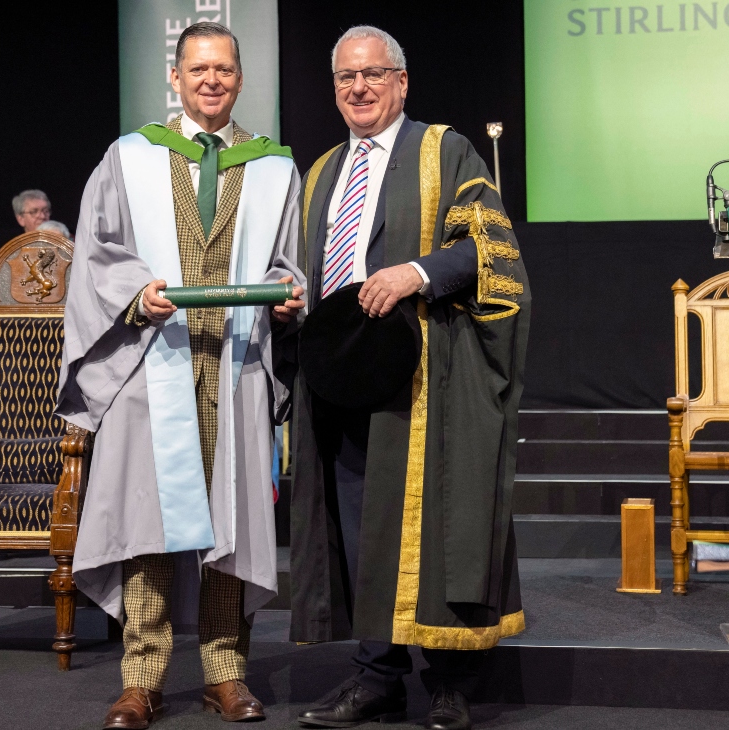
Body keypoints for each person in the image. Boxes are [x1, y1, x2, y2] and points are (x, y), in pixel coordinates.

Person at [56, 21, 305, 730]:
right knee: (149, 523)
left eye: (224, 69)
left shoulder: (273, 167)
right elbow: (98, 251)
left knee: (232, 523)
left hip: (239, 362)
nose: (212, 80)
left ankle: (226, 674)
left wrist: (289, 293)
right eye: (199, 68)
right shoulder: (128, 158)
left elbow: (289, 260)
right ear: (176, 76)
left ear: (240, 78)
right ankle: (143, 680)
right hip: (151, 361)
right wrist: (137, 290)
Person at [289, 27, 530, 730]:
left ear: (401, 82)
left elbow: (490, 248)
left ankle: (451, 681)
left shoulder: (443, 149)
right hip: (343, 375)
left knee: (439, 524)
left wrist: (415, 272)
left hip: (425, 376)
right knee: (361, 525)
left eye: (372, 75)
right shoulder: (322, 172)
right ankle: (376, 676)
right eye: (344, 78)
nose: (358, 88)